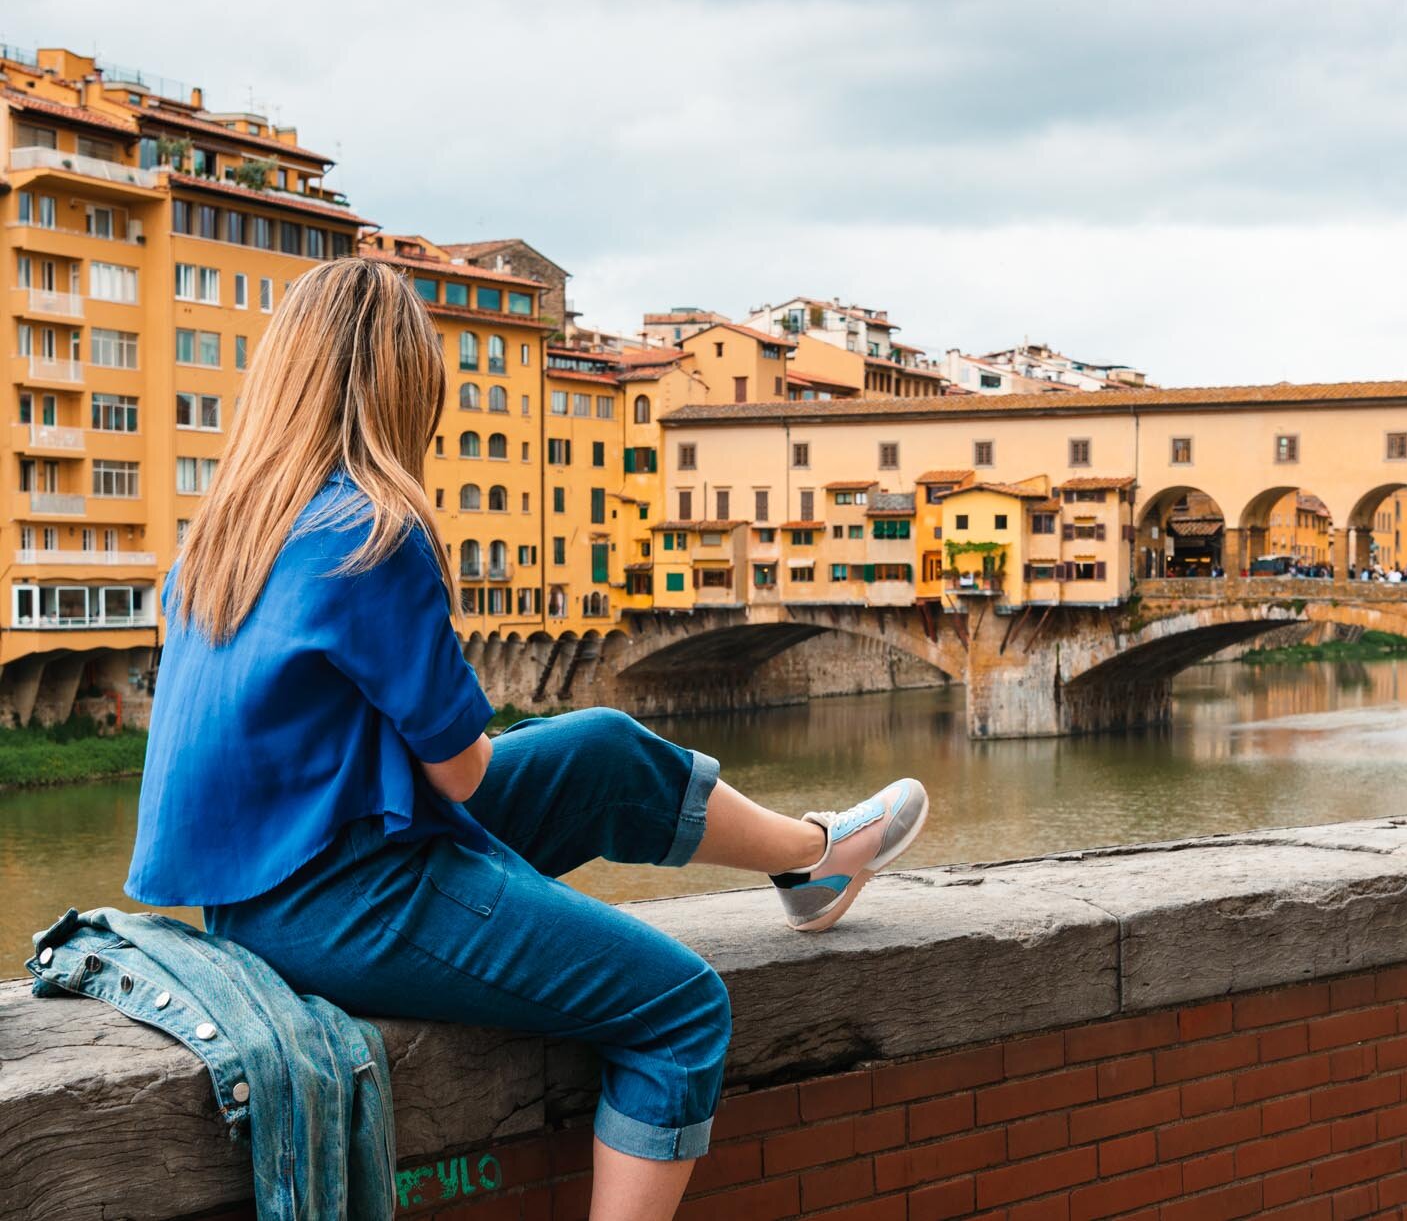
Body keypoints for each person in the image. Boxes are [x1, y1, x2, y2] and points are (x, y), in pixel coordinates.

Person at [123, 259, 930, 1221]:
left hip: (253, 900)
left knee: (602, 746)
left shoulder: (213, 542)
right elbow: (461, 770)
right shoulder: (371, 532)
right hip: (348, 897)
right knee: (681, 1013)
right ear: (406, 386)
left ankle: (814, 860)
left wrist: (539, 765)